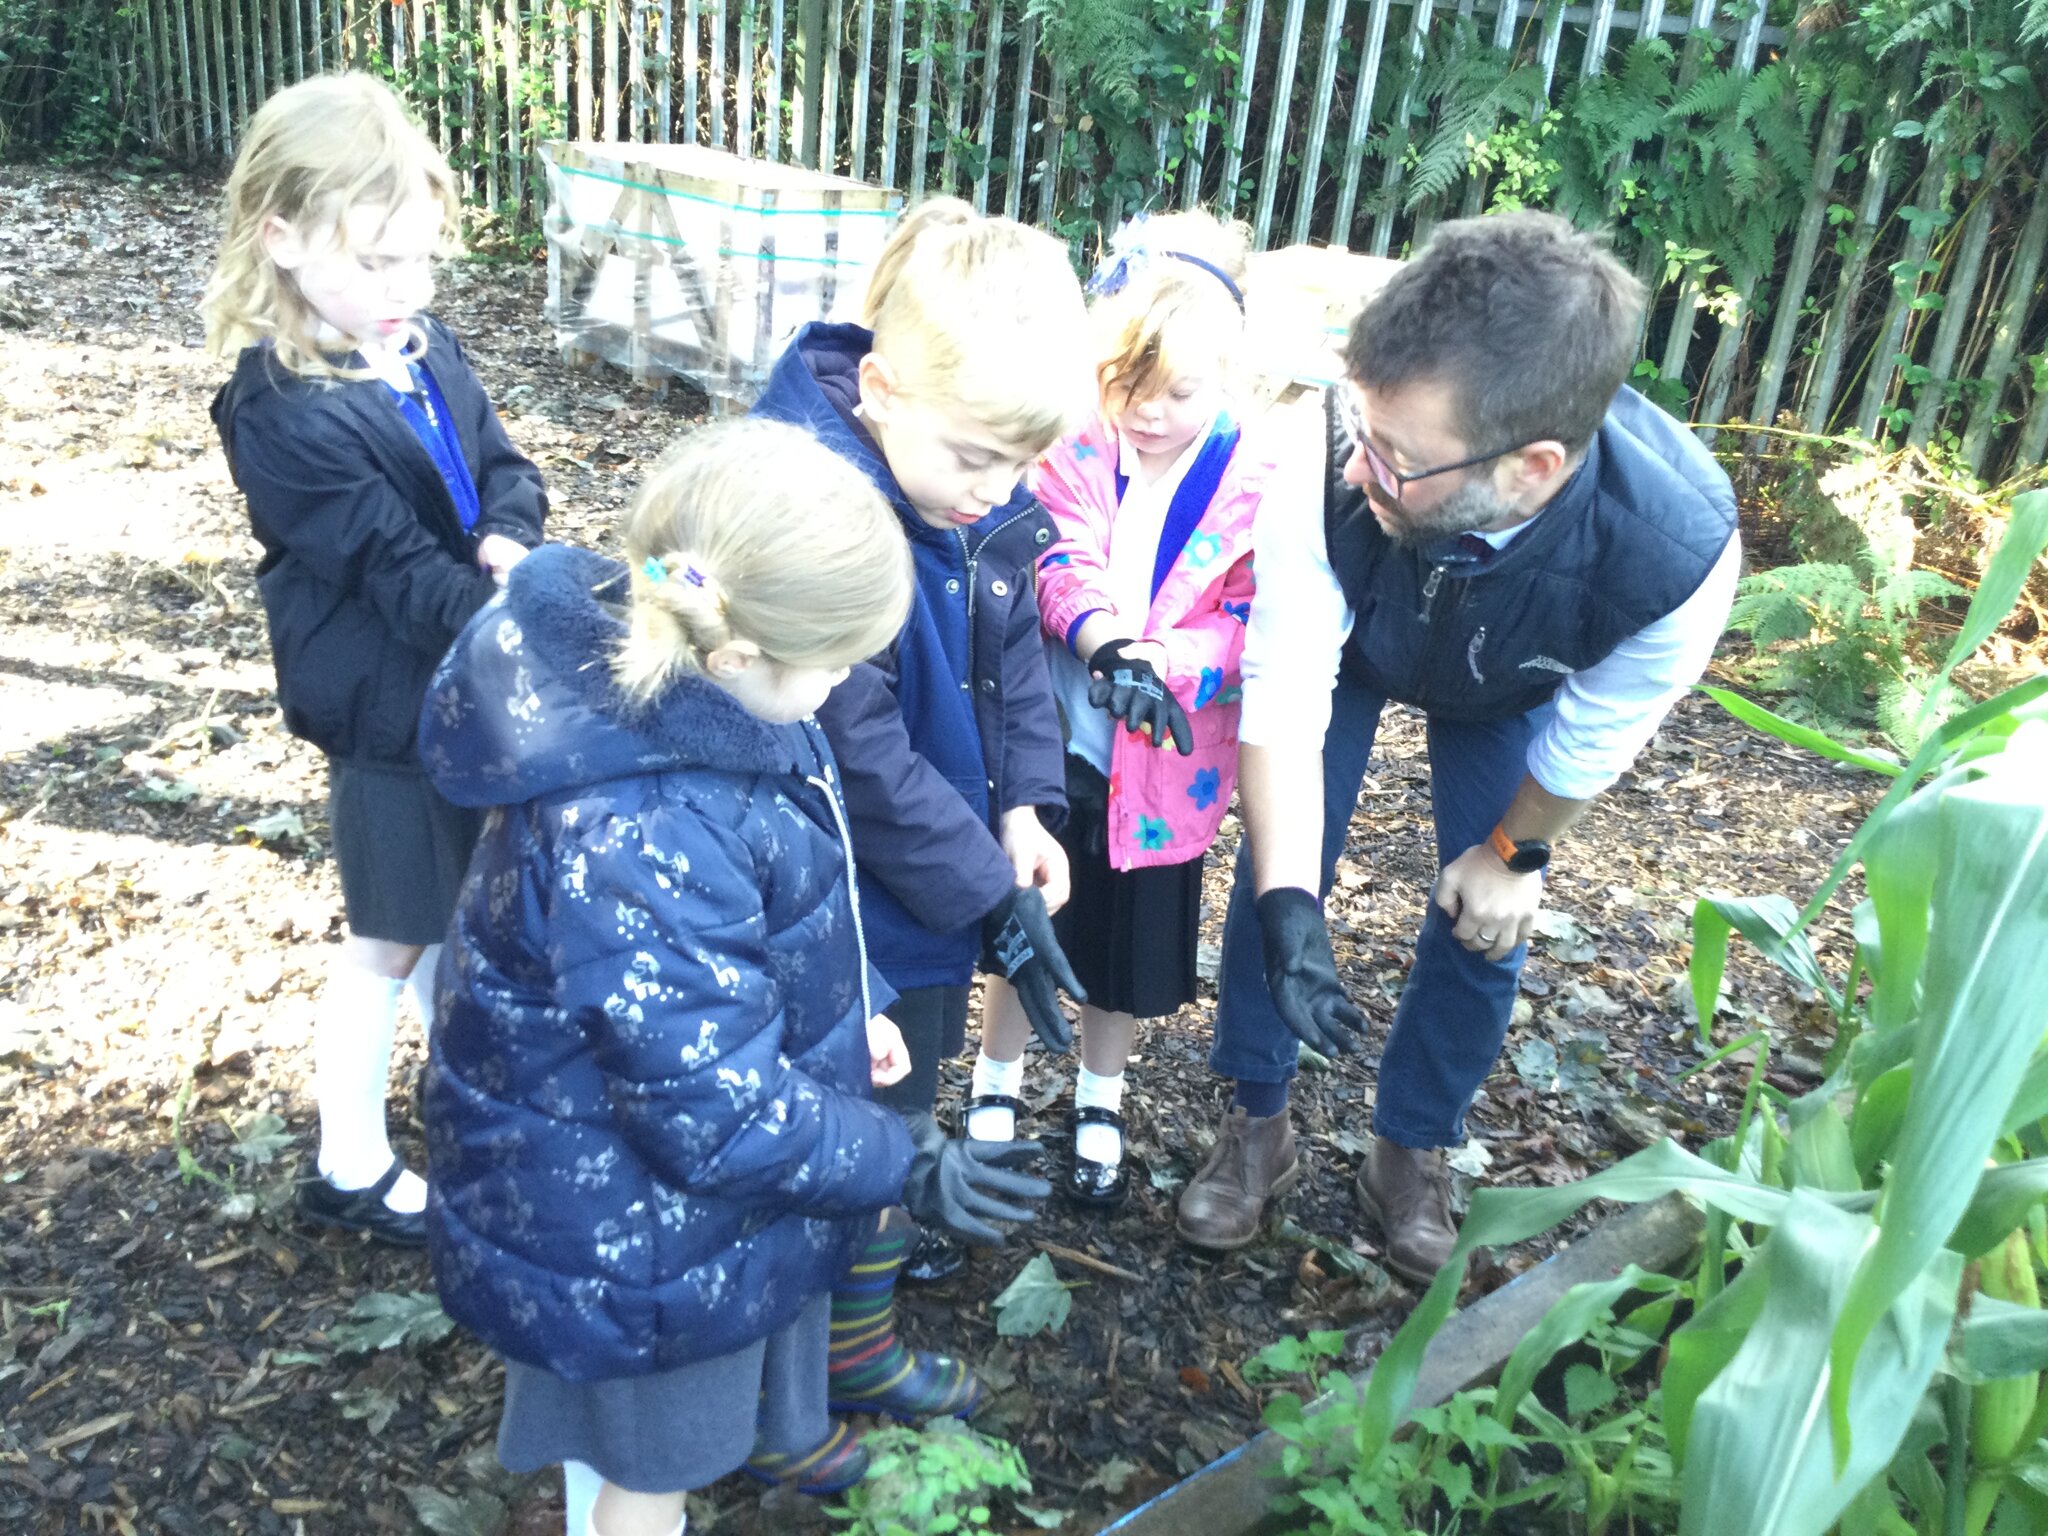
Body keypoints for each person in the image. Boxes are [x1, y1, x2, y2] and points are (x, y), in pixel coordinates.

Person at [417, 420, 1051, 1536]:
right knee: (645, 1473)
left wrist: (855, 1006)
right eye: (839, 663)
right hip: (631, 1225)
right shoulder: (648, 821)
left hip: (648, 1199)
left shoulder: (714, 711)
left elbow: (789, 901)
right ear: (739, 657)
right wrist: (900, 1158)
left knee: (625, 1455)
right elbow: (709, 1108)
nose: (846, 683)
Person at [1175, 211, 1741, 1281]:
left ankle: (1412, 1143)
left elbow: (1591, 737)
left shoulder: (1672, 553)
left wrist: (1513, 852)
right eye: (1362, 427)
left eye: (1397, 456)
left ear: (1529, 468)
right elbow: (1285, 699)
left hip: (1511, 668)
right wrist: (1292, 912)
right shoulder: (1326, 456)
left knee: (1488, 915)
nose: (1360, 467)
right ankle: (1256, 1119)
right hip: (1355, 636)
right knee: (1277, 870)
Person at [203, 73, 547, 1245]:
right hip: (386, 705)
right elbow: (395, 574)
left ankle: (471, 1117)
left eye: (420, 261)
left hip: (462, 675)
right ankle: (348, 1160)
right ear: (282, 236)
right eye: (377, 263)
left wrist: (517, 532)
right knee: (391, 930)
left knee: (457, 912)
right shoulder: (281, 414)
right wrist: (536, 616)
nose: (408, 290)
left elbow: (503, 462)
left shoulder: (416, 340)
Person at [748, 197, 1094, 1285]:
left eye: (1024, 466)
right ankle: (843, 1306)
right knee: (856, 1087)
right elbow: (859, 753)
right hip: (833, 885)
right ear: (886, 390)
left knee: (914, 1066)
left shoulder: (953, 480)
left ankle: (875, 1258)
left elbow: (1017, 651)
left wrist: (1024, 807)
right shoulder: (817, 517)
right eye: (982, 460)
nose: (999, 491)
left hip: (933, 866)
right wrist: (988, 893)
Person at [963, 213, 1271, 1209]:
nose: (1148, 413)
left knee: (1122, 954)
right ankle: (994, 1087)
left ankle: (1101, 1095)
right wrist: (1109, 646)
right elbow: (1059, 561)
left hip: (1165, 770)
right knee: (1026, 920)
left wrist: (1167, 663)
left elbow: (1244, 622)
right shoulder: (1074, 446)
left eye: (1178, 393)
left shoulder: (1249, 483)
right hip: (1055, 746)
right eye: (1128, 387)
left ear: (1223, 378)